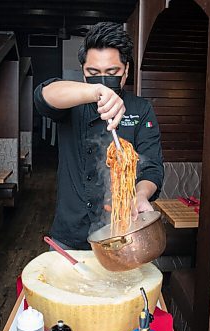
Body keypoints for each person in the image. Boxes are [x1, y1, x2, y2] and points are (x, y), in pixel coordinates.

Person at [33, 22, 164, 250]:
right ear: (83, 72)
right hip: (70, 235)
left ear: (126, 71)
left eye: (112, 73)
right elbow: (42, 96)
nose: (103, 80)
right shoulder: (72, 102)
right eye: (93, 74)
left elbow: (152, 167)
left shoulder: (141, 109)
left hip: (121, 235)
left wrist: (141, 195)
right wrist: (94, 92)